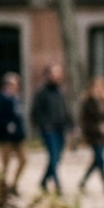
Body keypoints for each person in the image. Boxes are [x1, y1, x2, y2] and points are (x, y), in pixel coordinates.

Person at [30, 65, 74, 194]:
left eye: (59, 73)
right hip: (49, 131)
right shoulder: (41, 93)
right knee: (53, 155)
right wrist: (44, 124)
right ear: (48, 75)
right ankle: (57, 184)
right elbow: (35, 112)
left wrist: (72, 125)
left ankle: (43, 181)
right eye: (55, 74)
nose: (58, 76)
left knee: (57, 157)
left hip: (60, 129)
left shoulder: (61, 91)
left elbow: (66, 110)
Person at [0, 72, 27, 202]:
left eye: (16, 85)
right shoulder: (1, 99)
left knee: (24, 160)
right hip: (5, 137)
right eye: (12, 84)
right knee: (6, 163)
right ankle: (1, 189)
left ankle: (14, 184)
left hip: (18, 137)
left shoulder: (16, 99)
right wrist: (6, 125)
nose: (15, 87)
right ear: (6, 85)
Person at [78, 77, 104, 194]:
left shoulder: (103, 102)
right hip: (93, 135)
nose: (98, 90)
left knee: (97, 161)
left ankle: (83, 181)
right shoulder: (88, 102)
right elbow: (84, 121)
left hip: (102, 137)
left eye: (101, 87)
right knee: (101, 160)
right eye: (96, 87)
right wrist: (98, 127)